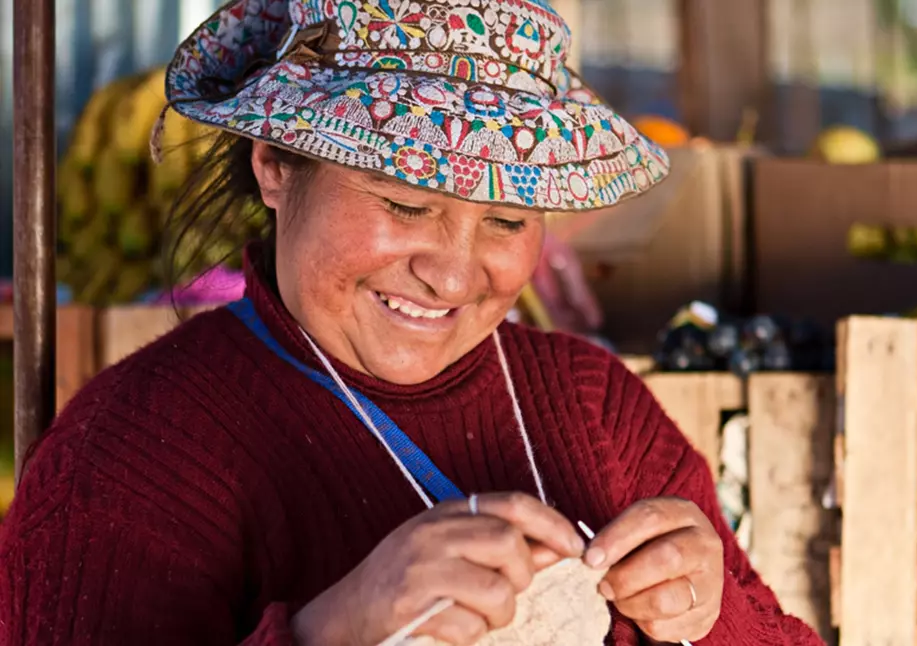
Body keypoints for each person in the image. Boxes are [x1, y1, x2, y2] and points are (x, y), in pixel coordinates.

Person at [0, 1, 825, 644]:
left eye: (505, 221)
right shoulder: (128, 457)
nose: (455, 271)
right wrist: (328, 633)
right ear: (275, 165)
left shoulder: (594, 408)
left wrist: (712, 619)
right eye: (405, 203)